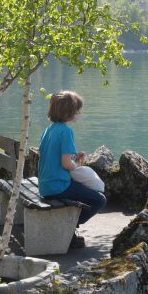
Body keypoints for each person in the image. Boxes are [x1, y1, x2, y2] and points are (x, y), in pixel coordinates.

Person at [38, 90, 106, 248]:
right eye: (77, 110)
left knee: (84, 194)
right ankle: (68, 229)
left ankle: (68, 227)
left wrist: (75, 157)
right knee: (99, 199)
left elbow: (56, 157)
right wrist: (78, 166)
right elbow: (66, 164)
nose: (79, 113)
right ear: (69, 112)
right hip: (58, 185)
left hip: (45, 185)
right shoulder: (66, 131)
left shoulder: (48, 130)